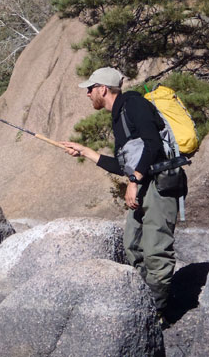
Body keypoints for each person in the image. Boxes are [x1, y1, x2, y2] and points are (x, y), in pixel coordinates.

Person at [60, 67, 179, 326]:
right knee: (132, 246)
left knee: (156, 251)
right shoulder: (119, 115)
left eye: (90, 89)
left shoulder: (134, 105)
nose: (88, 94)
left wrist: (134, 181)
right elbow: (123, 165)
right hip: (144, 184)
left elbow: (153, 145)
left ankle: (157, 314)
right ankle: (143, 302)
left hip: (160, 186)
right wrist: (84, 151)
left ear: (103, 89)